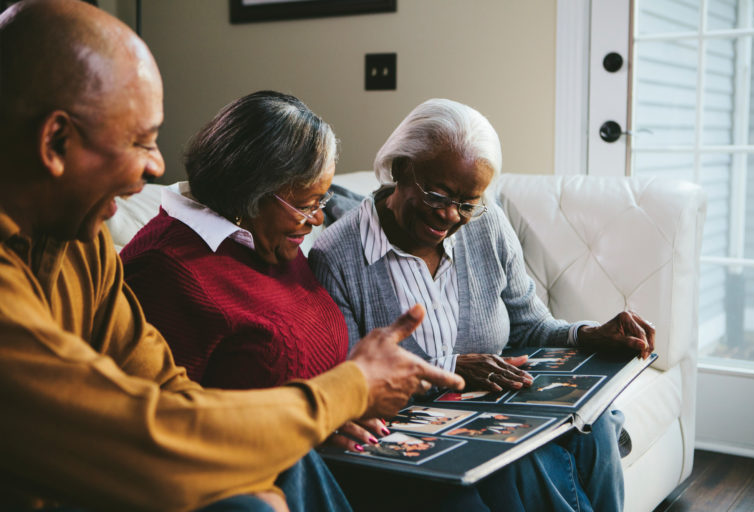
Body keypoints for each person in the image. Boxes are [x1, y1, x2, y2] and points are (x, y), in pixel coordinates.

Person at [0, 2, 463, 511]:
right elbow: (149, 441)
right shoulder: (153, 264)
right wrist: (348, 389)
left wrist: (278, 443)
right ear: (56, 141)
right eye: (140, 141)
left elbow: (168, 390)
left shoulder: (78, 240)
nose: (156, 164)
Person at [309, 98, 656, 511]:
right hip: (425, 434)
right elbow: (354, 384)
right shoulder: (337, 256)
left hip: (501, 409)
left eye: (468, 202)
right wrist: (448, 370)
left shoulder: (485, 221)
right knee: (525, 462)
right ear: (402, 168)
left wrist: (587, 334)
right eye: (438, 194)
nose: (451, 215)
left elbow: (530, 327)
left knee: (594, 424)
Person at [121, 89, 389, 449]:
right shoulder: (164, 269)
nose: (318, 218)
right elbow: (166, 430)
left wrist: (343, 404)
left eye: (321, 201)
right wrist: (308, 424)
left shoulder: (268, 240)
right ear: (252, 191)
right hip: (262, 471)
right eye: (307, 203)